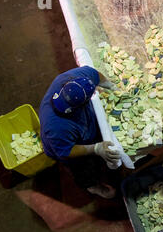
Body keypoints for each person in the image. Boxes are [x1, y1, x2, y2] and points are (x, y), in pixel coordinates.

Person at [39, 66, 123, 199]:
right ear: (64, 86)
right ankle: (93, 187)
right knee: (84, 168)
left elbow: (95, 74)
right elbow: (67, 151)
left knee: (96, 149)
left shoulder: (78, 79)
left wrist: (113, 88)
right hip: (65, 147)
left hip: (83, 128)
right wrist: (95, 148)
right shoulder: (57, 127)